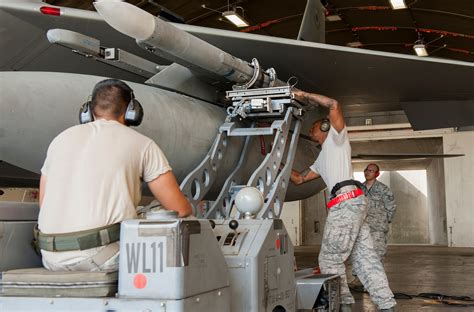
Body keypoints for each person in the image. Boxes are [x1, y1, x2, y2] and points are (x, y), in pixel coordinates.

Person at [37, 79, 192, 272]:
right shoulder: (143, 144)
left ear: (87, 110)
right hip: (102, 259)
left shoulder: (59, 140)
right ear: (132, 111)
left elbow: (44, 203)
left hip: (50, 258)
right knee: (170, 218)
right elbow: (181, 210)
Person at [289, 90, 396, 312]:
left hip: (345, 202)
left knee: (329, 258)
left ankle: (343, 305)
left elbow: (334, 104)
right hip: (353, 204)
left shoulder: (337, 140)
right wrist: (280, 164)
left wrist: (303, 94)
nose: (310, 132)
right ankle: (387, 306)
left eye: (313, 128)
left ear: (325, 127)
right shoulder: (321, 159)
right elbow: (299, 179)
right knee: (366, 259)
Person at [363, 163, 396, 261]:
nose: (367, 172)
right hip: (362, 228)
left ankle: (376, 276)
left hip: (378, 229)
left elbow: (391, 206)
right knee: (361, 255)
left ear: (377, 174)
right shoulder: (358, 189)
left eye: (371, 171)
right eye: (366, 170)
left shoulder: (383, 189)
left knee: (377, 256)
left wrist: (384, 221)